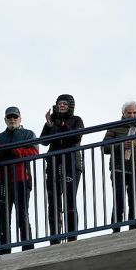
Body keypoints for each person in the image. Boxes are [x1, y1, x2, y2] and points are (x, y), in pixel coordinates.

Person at [0, 106, 39, 254]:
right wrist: (0, 155)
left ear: (20, 119)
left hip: (23, 180)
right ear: (5, 120)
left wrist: (14, 151)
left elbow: (35, 152)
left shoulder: (28, 134)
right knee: (3, 216)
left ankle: (27, 249)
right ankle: (4, 251)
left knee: (22, 214)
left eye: (15, 117)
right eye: (9, 117)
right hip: (4, 181)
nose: (12, 120)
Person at [41, 94, 85, 244]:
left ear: (70, 106)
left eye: (64, 104)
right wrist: (49, 124)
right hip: (53, 164)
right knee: (53, 202)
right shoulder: (53, 120)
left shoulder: (76, 120)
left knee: (69, 200)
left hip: (71, 163)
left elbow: (75, 137)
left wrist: (61, 125)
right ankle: (55, 238)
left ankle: (72, 238)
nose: (61, 106)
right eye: (59, 104)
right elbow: (44, 141)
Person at [102, 101, 136, 232]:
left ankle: (133, 229)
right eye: (129, 112)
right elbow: (105, 147)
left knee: (134, 201)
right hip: (119, 168)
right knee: (119, 200)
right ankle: (116, 229)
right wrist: (120, 146)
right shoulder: (115, 127)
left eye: (135, 112)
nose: (132, 115)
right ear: (123, 114)